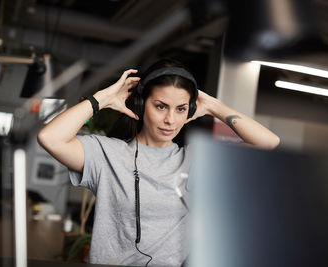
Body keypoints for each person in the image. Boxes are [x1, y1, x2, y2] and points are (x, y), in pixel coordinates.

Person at [37, 59, 280, 266]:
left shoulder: (197, 160)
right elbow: (49, 137)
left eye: (181, 109)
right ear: (142, 104)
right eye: (161, 106)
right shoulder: (106, 154)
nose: (170, 120)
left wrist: (215, 106)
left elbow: (268, 143)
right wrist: (103, 99)